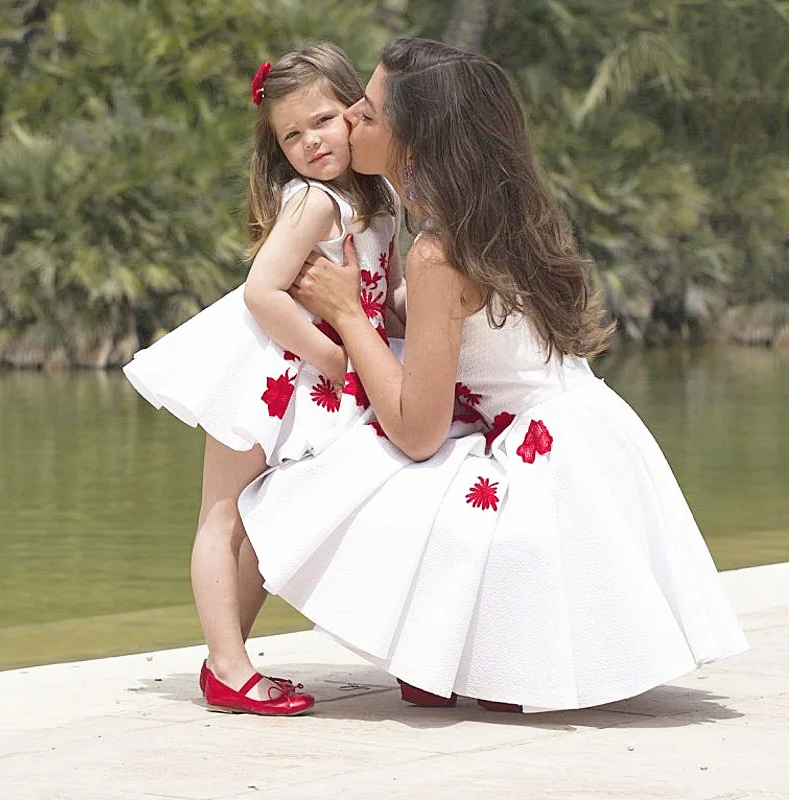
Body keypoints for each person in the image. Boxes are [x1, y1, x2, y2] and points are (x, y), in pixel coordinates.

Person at [237, 37, 748, 713]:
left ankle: (466, 655)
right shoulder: (499, 213)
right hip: (594, 441)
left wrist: (346, 315)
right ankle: (461, 661)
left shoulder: (438, 253)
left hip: (545, 472)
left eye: (366, 111)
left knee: (317, 480)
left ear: (411, 141)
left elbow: (418, 431)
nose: (350, 120)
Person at [123, 43, 405, 716]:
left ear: (355, 112)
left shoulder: (384, 194)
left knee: (274, 518)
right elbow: (262, 293)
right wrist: (339, 362)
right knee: (223, 518)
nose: (310, 141)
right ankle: (228, 665)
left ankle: (231, 659)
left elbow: (387, 288)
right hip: (270, 369)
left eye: (323, 120)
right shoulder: (313, 204)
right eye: (292, 135)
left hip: (331, 369)